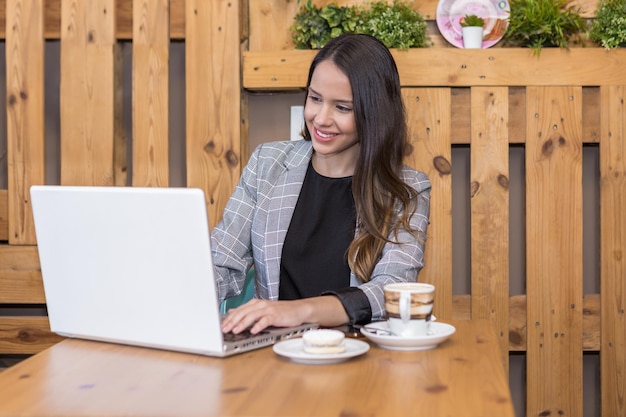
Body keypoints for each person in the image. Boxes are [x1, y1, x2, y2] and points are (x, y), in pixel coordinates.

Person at [214, 33, 431, 335]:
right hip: (275, 356)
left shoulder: (408, 188)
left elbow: (392, 288)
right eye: (315, 99)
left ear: (374, 114)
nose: (321, 118)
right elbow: (222, 262)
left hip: (360, 359)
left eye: (342, 108)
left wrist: (299, 310)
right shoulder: (268, 163)